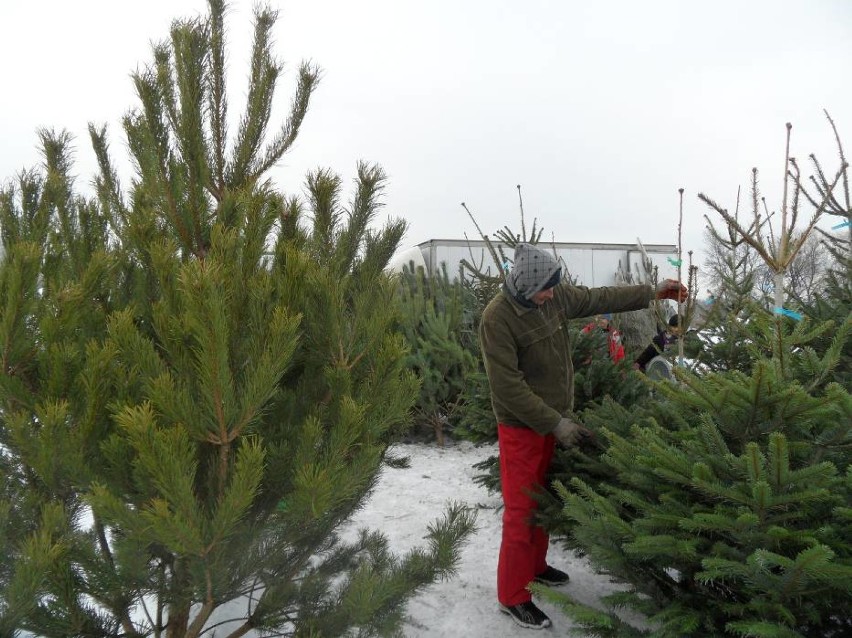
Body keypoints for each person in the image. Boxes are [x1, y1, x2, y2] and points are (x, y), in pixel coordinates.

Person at [479, 243, 687, 630]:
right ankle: (512, 595)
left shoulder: (554, 299)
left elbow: (598, 297)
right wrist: (555, 423)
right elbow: (507, 387)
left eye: (554, 287)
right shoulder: (498, 319)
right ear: (524, 287)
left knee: (542, 498)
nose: (552, 294)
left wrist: (652, 291)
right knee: (522, 511)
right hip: (522, 428)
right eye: (545, 288)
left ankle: (535, 567)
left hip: (555, 419)